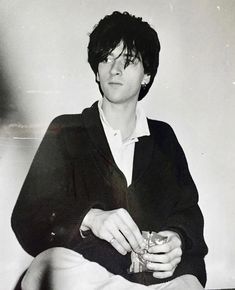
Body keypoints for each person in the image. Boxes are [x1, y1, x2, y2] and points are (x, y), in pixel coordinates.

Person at [11, 11, 208, 290]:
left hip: (153, 283)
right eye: (106, 59)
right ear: (96, 70)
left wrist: (178, 238)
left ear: (146, 75)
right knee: (50, 264)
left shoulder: (164, 138)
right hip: (88, 274)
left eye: (128, 61)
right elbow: (27, 216)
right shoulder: (66, 131)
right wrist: (89, 218)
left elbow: (188, 213)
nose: (114, 70)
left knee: (189, 283)